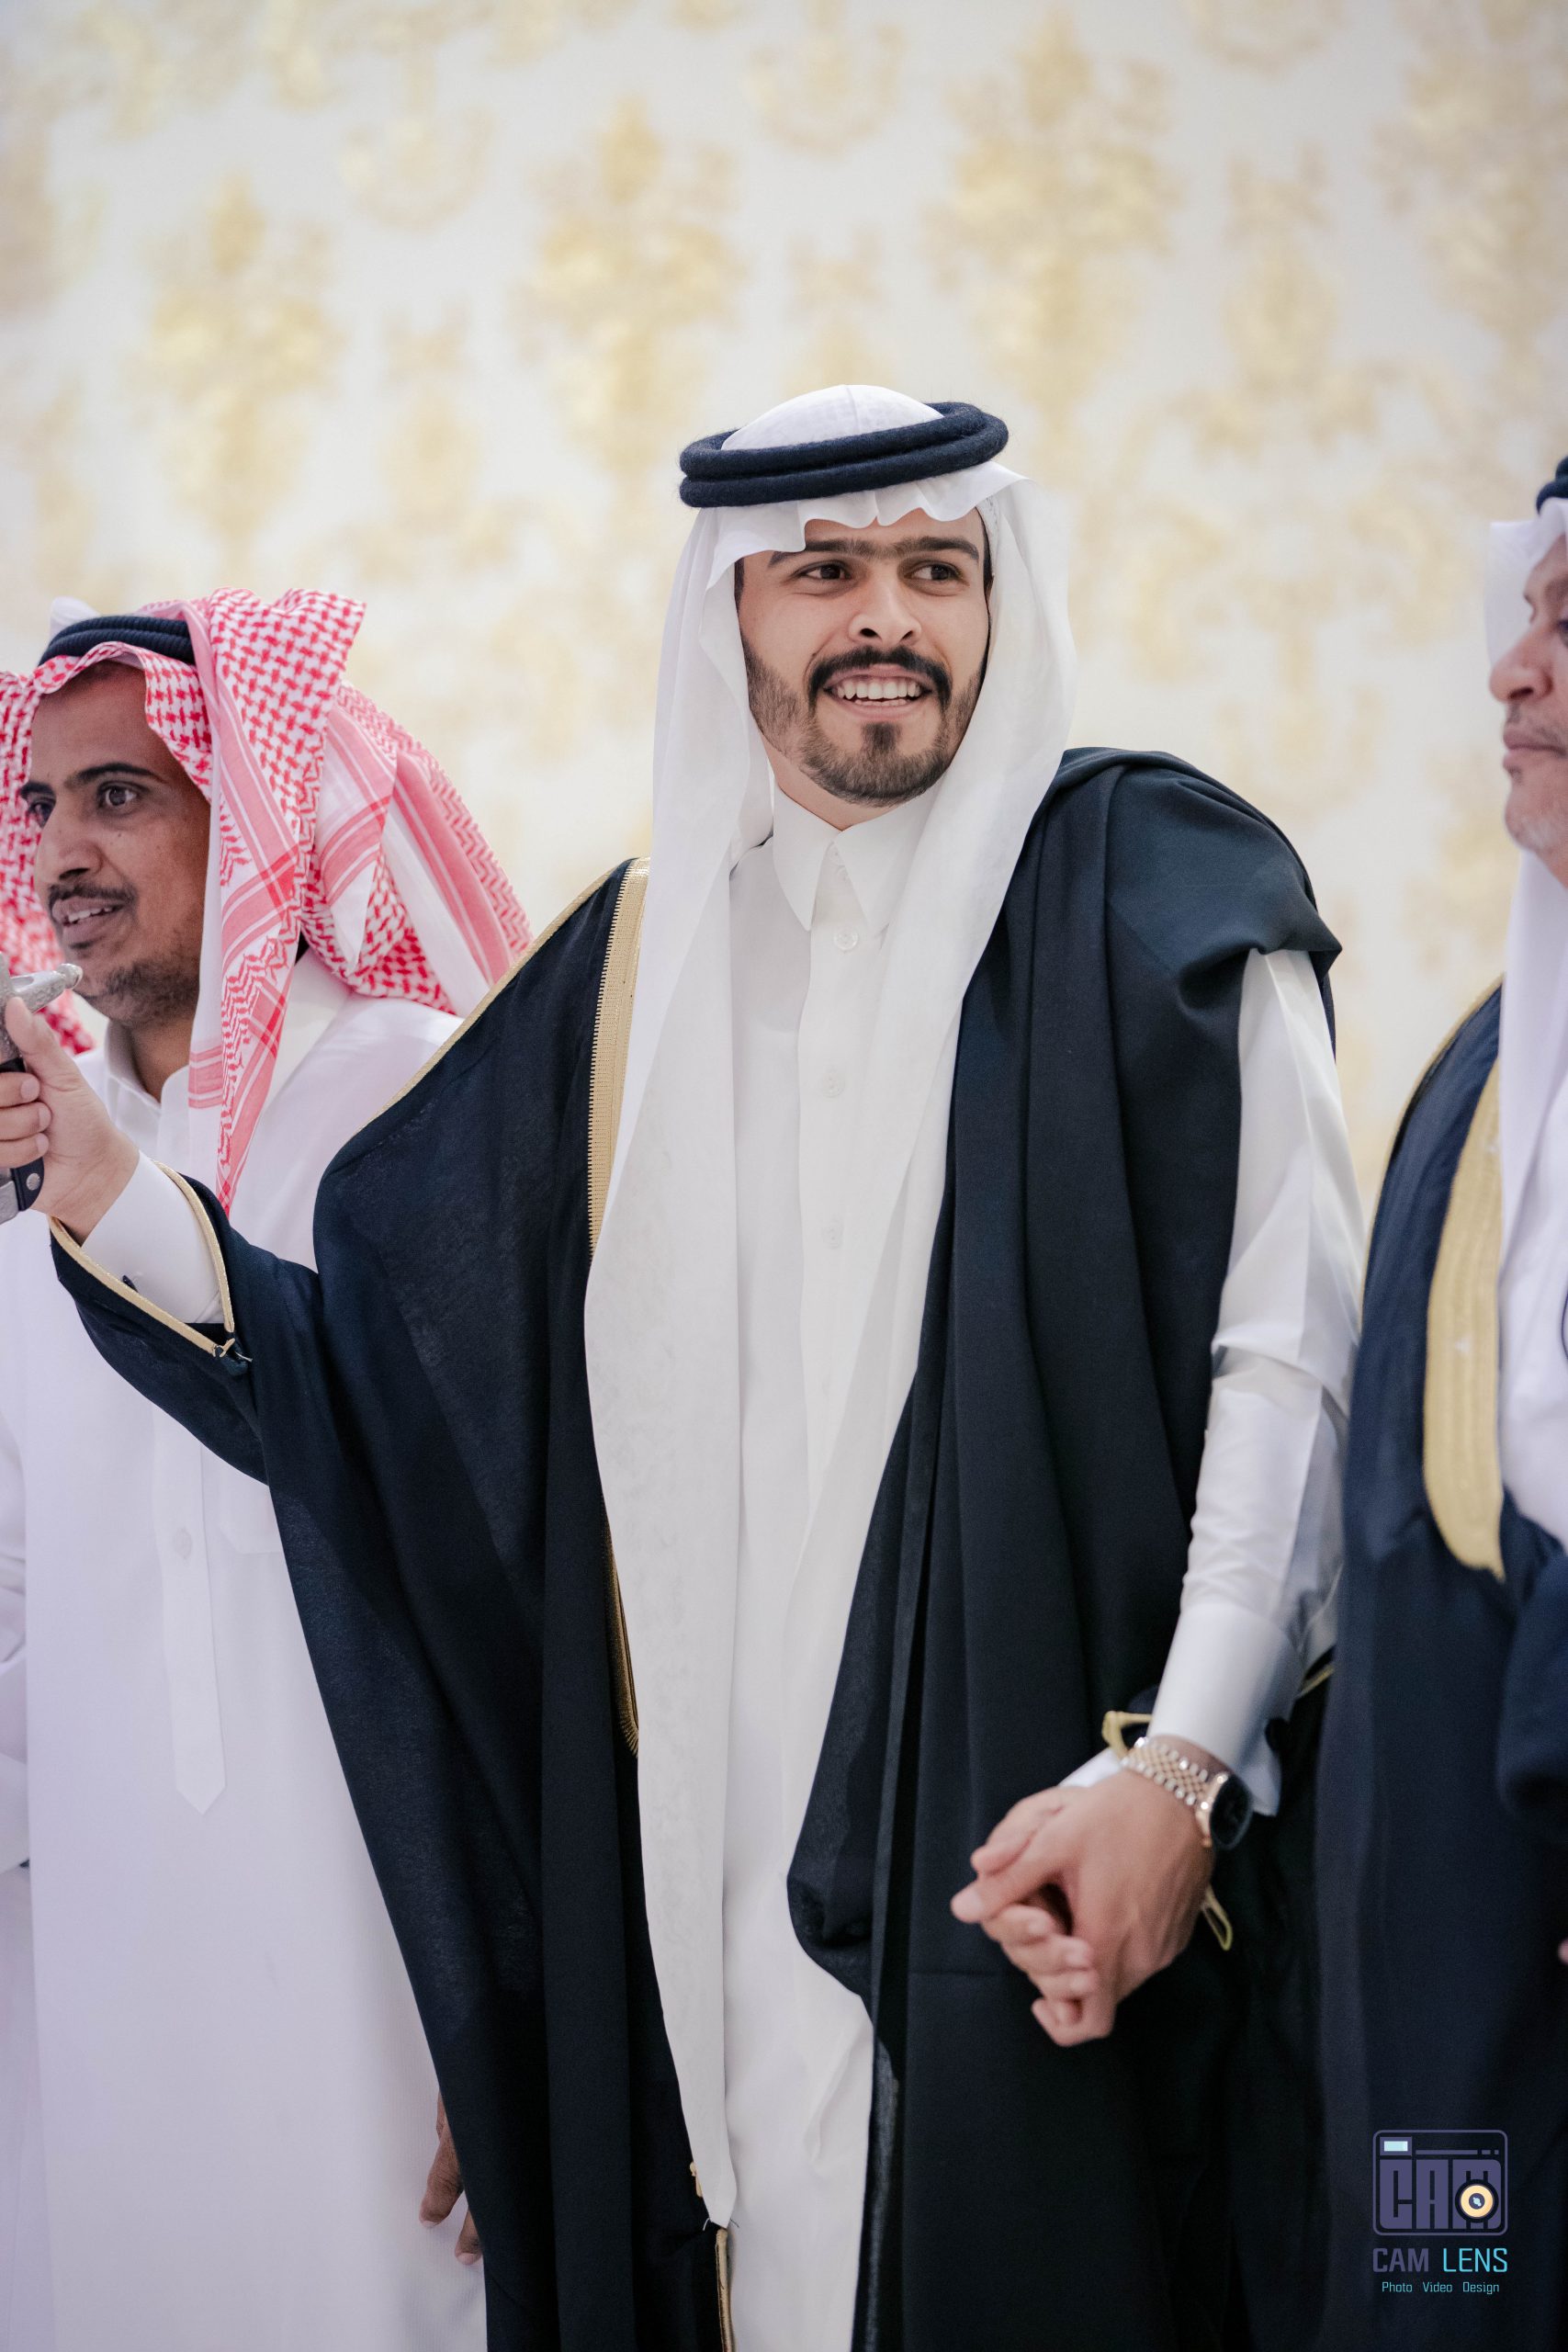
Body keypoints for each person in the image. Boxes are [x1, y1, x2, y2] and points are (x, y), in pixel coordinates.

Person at [2, 390, 1362, 2352]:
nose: (881, 614)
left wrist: (1181, 1764)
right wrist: (109, 1189)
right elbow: (396, 1414)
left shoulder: (1148, 896)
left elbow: (1287, 1362)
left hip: (1043, 1841)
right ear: (727, 611)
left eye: (934, 567)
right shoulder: (624, 990)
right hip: (696, 1904)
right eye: (822, 572)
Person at [0, 593, 528, 2352]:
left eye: (122, 796)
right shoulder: (33, 1156)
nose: (63, 851)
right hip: (102, 1982)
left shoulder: (414, 1107)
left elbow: (517, 1567)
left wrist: (529, 1994)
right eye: (43, 803)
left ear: (262, 821)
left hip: (383, 1978)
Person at [1314, 459, 1568, 2346]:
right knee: (1439, 2285)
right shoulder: (1487, 1072)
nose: (1510, 672)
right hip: (1439, 1986)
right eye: (1525, 616)